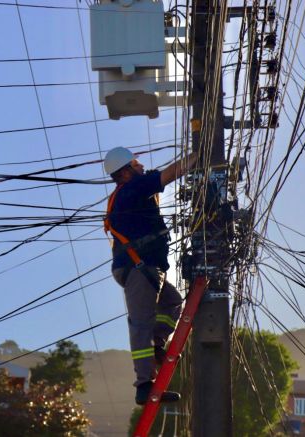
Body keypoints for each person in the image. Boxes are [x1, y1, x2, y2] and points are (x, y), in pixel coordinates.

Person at [103, 146, 197, 405]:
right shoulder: (132, 189)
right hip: (138, 268)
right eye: (136, 164)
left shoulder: (130, 192)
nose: (141, 167)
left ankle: (156, 343)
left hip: (146, 268)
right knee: (141, 323)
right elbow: (168, 175)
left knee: (172, 302)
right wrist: (199, 154)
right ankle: (144, 384)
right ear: (124, 173)